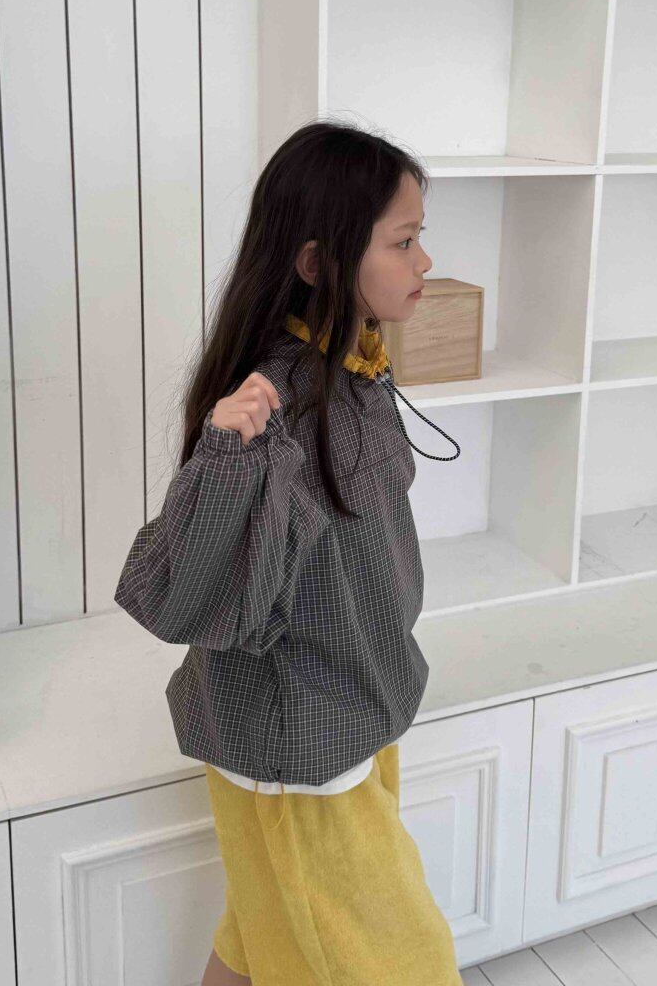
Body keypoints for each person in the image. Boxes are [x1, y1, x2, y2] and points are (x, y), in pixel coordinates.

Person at [113, 118, 466, 985]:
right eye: (404, 242)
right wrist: (225, 462)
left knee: (263, 932)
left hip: (357, 703)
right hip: (303, 741)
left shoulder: (354, 368)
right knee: (402, 963)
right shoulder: (271, 409)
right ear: (316, 262)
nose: (424, 262)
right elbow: (179, 600)